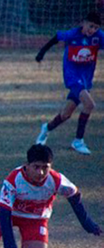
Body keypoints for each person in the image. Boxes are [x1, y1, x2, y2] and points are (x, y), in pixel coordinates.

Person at [35, 11, 104, 155]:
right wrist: (41, 52)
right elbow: (56, 38)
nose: (92, 30)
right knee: (90, 104)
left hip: (85, 80)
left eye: (96, 28)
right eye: (90, 26)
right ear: (82, 23)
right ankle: (78, 141)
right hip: (72, 77)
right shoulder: (72, 34)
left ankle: (46, 128)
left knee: (66, 114)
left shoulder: (99, 37)